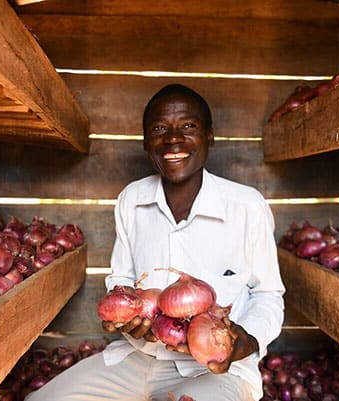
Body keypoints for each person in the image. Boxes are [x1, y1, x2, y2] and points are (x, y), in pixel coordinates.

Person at [25, 84, 285, 401]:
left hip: (214, 370)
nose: (173, 139)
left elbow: (268, 293)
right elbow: (121, 280)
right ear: (146, 141)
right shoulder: (132, 200)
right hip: (136, 357)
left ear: (210, 136)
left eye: (188, 126)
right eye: (159, 128)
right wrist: (123, 318)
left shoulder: (246, 206)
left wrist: (247, 340)